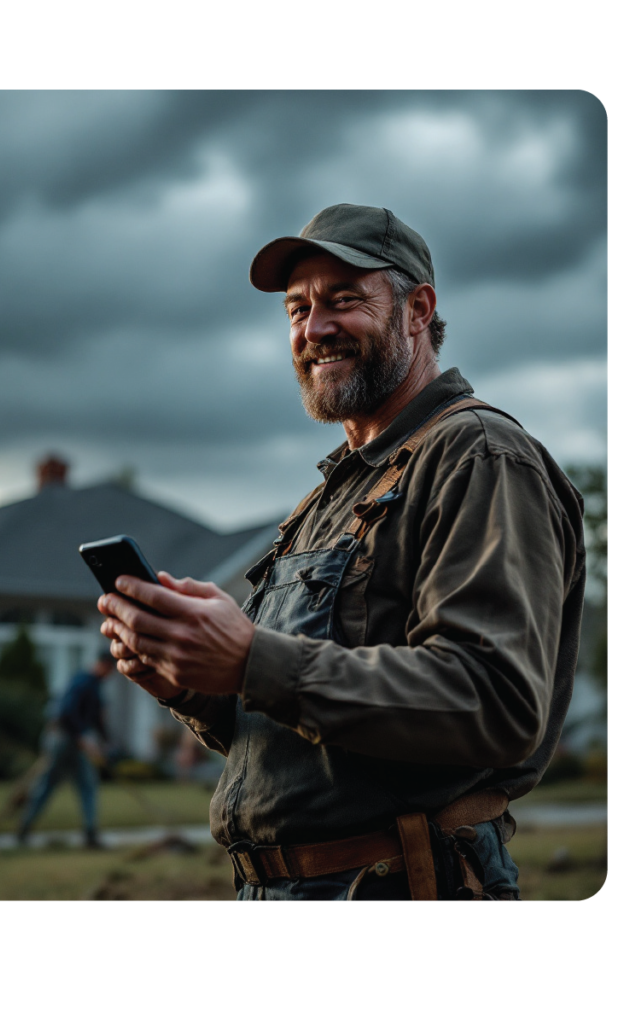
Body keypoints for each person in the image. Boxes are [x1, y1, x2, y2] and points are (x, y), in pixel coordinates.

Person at [99, 204, 586, 901]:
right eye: (297, 309)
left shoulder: (477, 455)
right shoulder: (324, 498)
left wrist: (249, 658)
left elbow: (495, 702)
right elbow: (303, 744)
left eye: (344, 300)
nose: (313, 329)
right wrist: (192, 685)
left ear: (419, 309)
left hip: (403, 882)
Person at [17, 651, 116, 849]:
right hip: (63, 740)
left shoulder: (95, 687)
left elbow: (96, 718)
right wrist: (81, 736)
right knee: (48, 784)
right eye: (110, 670)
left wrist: (105, 741)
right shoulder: (82, 681)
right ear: (103, 665)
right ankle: (24, 829)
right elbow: (67, 712)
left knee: (87, 784)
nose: (110, 674)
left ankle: (90, 834)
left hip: (77, 744)